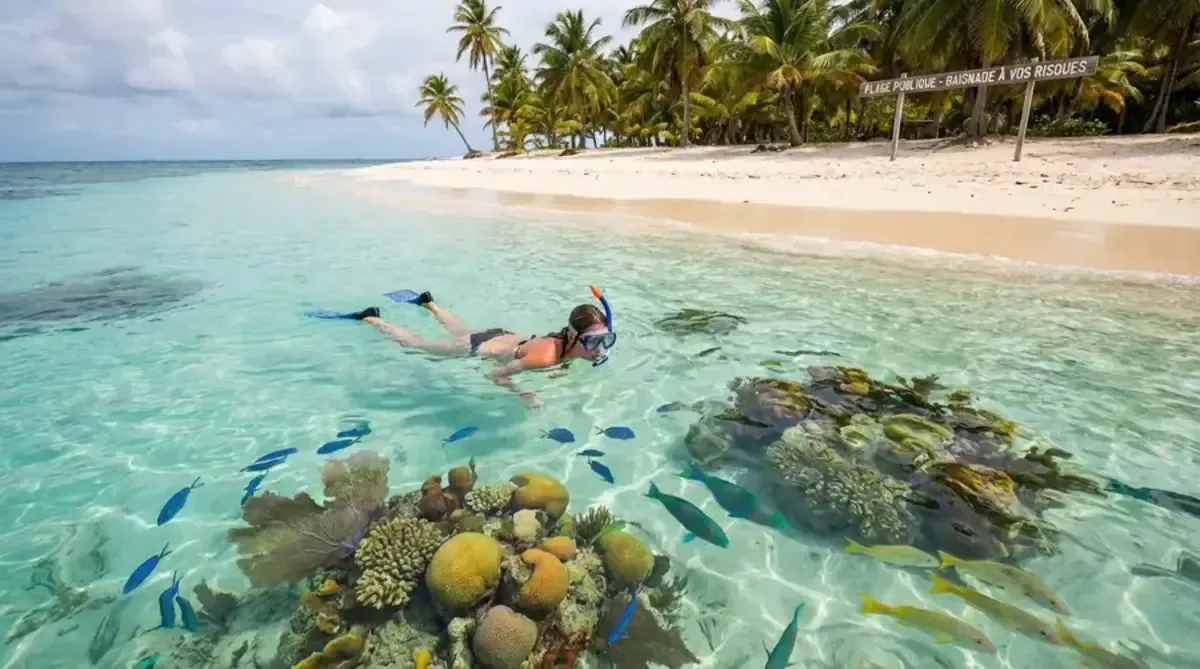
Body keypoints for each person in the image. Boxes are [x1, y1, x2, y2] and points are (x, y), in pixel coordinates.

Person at [344, 286, 617, 408]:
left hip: (501, 336)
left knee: (459, 328)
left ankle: (430, 304)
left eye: (606, 340)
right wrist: (524, 393)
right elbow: (495, 375)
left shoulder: (564, 344)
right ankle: (372, 317)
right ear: (573, 336)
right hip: (478, 347)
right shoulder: (545, 357)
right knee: (413, 344)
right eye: (593, 341)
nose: (600, 349)